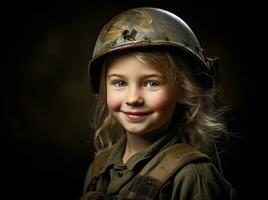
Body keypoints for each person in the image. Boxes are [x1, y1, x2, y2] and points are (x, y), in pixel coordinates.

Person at [81, 7, 235, 200]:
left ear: (183, 90)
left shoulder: (192, 176)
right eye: (120, 83)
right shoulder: (99, 168)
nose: (133, 98)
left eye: (151, 83)